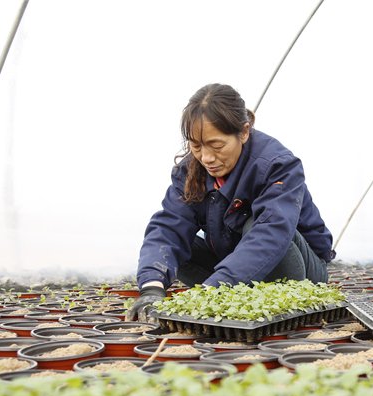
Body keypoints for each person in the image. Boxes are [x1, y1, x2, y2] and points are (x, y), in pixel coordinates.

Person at [126, 83, 335, 322]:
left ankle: (238, 296)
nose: (206, 158)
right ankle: (235, 298)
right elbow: (169, 226)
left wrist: (215, 288)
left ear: (244, 132)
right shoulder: (190, 170)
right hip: (233, 270)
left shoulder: (277, 165)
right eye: (196, 146)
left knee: (255, 224)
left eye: (217, 146)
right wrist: (151, 288)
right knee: (178, 246)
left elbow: (271, 233)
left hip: (301, 270)